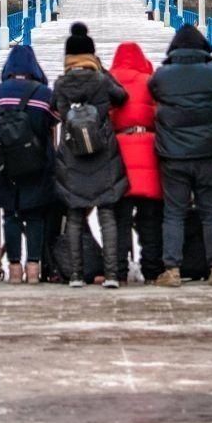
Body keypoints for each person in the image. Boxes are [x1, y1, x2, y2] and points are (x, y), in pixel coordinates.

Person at [147, 23, 212, 288]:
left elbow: (153, 91)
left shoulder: (162, 75)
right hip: (210, 152)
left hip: (174, 154)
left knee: (174, 213)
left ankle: (171, 269)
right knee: (211, 213)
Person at [52, 22, 129, 288]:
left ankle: (75, 275)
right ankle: (111, 274)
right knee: (106, 213)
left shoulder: (61, 83)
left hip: (72, 154)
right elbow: (122, 97)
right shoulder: (100, 79)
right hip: (103, 152)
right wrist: (103, 70)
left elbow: (55, 112)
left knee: (74, 214)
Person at [0, 42, 55, 283]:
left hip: (5, 162)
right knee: (35, 214)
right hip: (37, 161)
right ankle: (34, 267)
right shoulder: (44, 94)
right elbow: (54, 119)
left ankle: (14, 267)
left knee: (11, 214)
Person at [108, 41, 162, 284]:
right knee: (150, 217)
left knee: (120, 217)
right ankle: (152, 269)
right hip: (148, 151)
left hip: (119, 151)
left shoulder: (109, 81)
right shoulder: (149, 81)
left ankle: (118, 270)